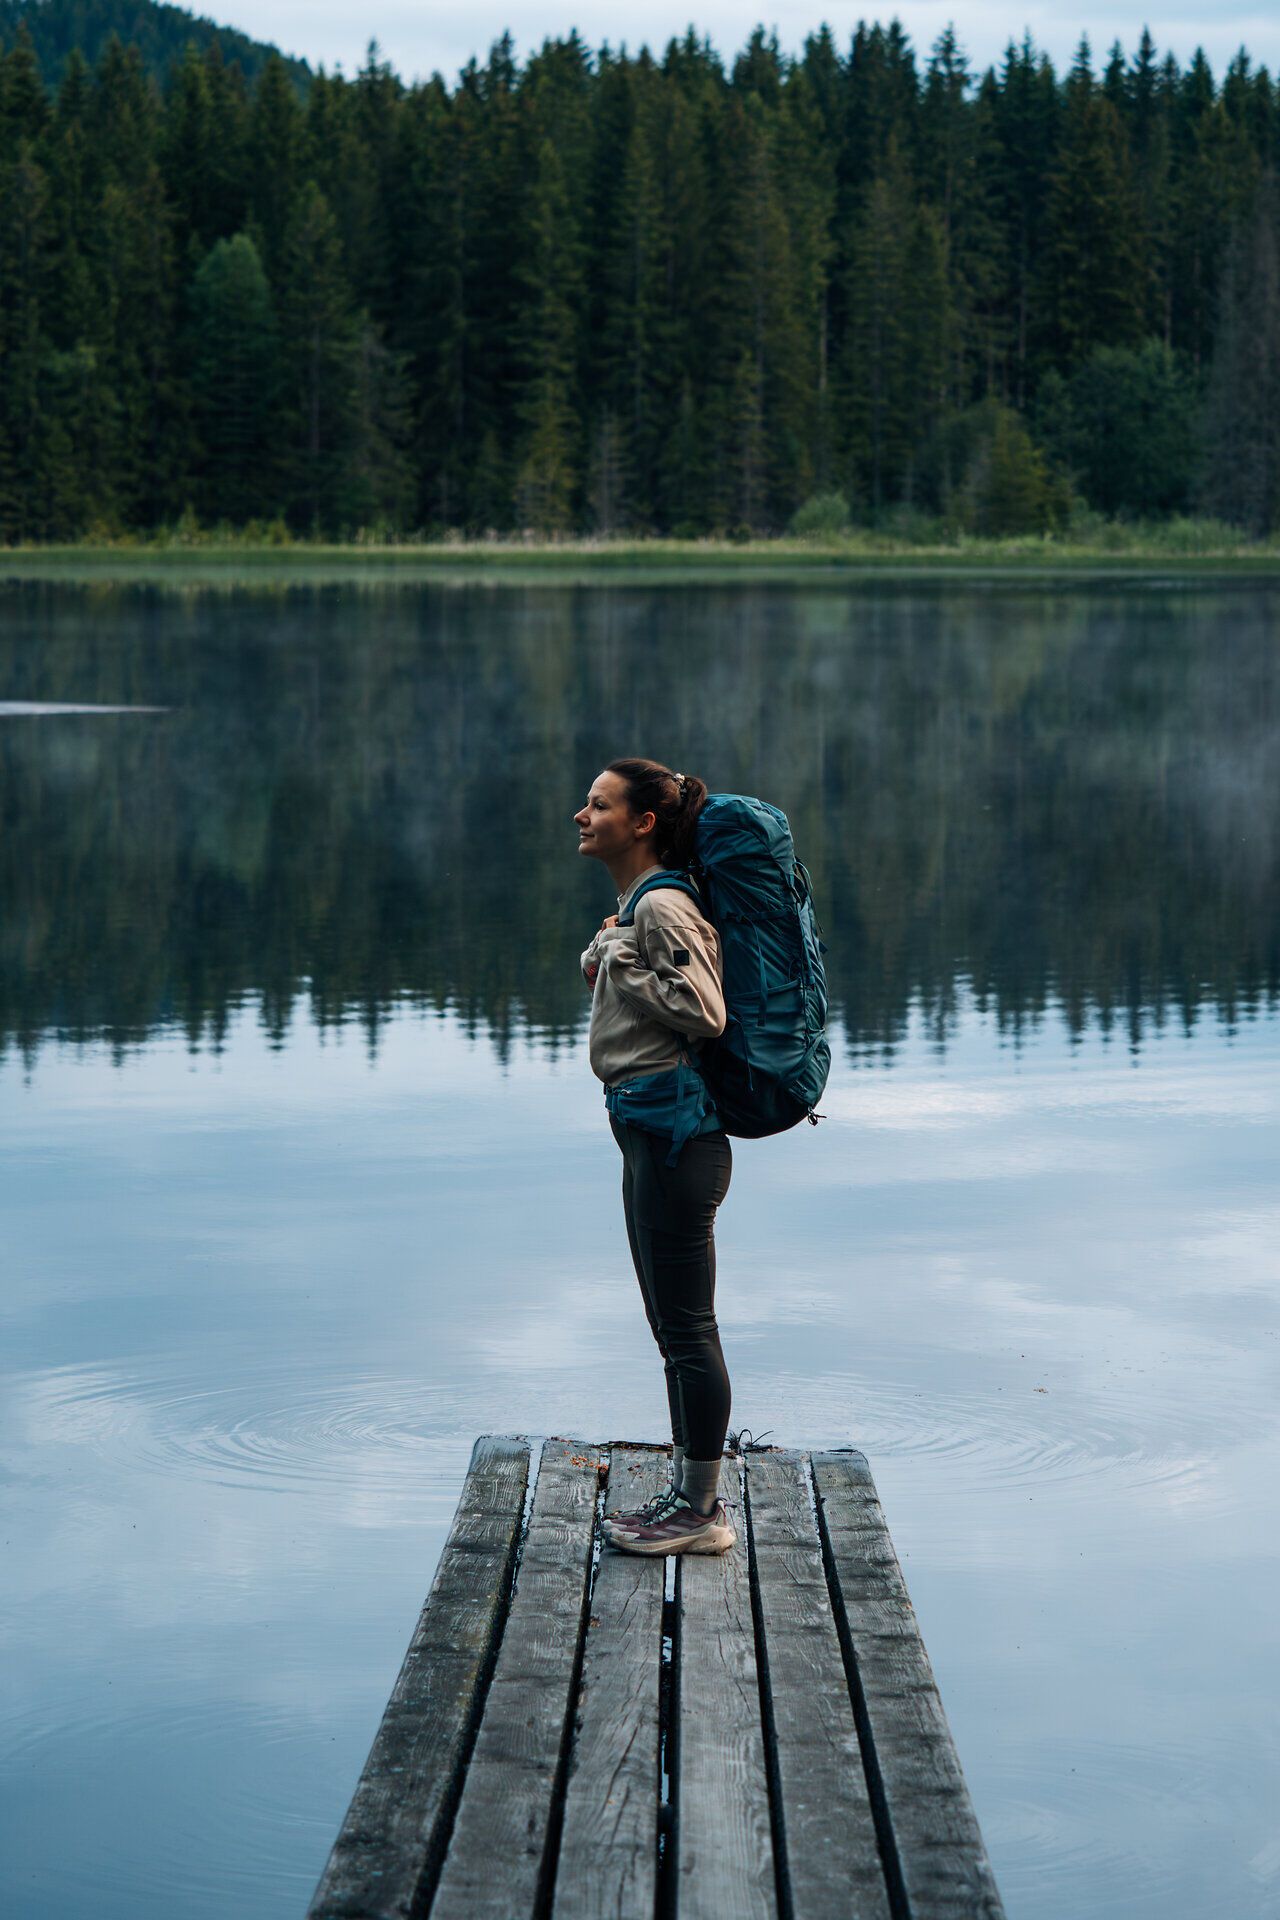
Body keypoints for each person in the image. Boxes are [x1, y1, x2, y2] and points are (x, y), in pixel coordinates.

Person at [575, 758, 736, 1556]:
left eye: (599, 804)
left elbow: (704, 1013)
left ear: (642, 824)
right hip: (650, 1126)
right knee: (671, 1324)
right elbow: (641, 993)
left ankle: (701, 1514)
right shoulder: (639, 905)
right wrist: (610, 956)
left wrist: (623, 961)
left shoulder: (665, 904)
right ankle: (686, 1495)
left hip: (677, 1136)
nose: (582, 814)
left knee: (686, 1327)